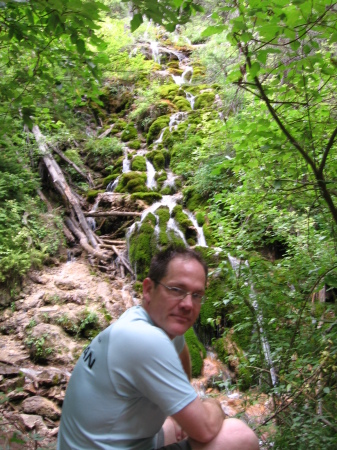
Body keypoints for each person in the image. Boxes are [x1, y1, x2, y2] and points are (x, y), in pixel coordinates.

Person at [57, 246, 259, 450]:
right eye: (176, 290)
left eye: (197, 295)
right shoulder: (145, 339)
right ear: (148, 290)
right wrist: (213, 406)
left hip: (106, 441)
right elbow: (205, 429)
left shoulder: (144, 321)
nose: (188, 304)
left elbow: (181, 349)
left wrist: (182, 398)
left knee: (176, 425)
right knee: (239, 435)